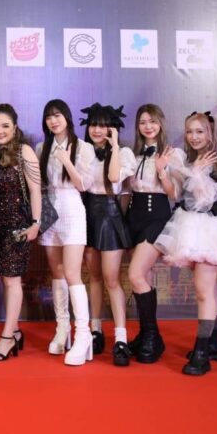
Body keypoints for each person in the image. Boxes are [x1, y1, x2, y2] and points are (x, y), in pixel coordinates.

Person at [155, 111, 217, 376]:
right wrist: (163, 171)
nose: (194, 137)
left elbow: (205, 200)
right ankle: (216, 344)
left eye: (200, 131)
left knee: (203, 290)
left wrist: (195, 173)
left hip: (208, 228)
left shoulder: (214, 161)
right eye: (190, 131)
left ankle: (202, 352)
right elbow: (176, 195)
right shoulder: (189, 159)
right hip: (188, 225)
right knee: (209, 290)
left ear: (210, 134)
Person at [36, 99, 94, 366]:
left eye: (57, 115)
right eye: (49, 117)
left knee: (72, 273)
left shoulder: (83, 147)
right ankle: (62, 329)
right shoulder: (42, 147)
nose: (53, 121)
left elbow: (83, 185)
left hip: (72, 210)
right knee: (57, 272)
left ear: (67, 118)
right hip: (50, 211)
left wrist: (66, 161)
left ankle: (83, 335)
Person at [125, 104, 183, 364]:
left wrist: (162, 170)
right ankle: (146, 334)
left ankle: (152, 336)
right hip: (133, 216)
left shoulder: (172, 154)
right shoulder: (132, 154)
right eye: (143, 122)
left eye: (152, 121)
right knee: (143, 277)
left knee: (135, 275)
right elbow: (126, 190)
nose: (148, 126)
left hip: (157, 216)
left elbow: (175, 194)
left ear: (161, 123)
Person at [79, 103, 136, 366]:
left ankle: (121, 338)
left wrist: (113, 147)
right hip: (87, 213)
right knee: (94, 277)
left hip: (111, 215)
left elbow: (114, 177)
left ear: (113, 129)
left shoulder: (123, 153)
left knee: (112, 279)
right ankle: (96, 330)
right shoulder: (82, 151)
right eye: (93, 125)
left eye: (103, 125)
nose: (97, 130)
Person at [0, 104, 42, 362]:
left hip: (17, 225)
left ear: (15, 128)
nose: (0, 131)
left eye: (5, 126)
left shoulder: (24, 151)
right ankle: (16, 330)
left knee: (12, 280)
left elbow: (35, 190)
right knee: (4, 279)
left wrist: (36, 223)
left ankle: (7, 336)